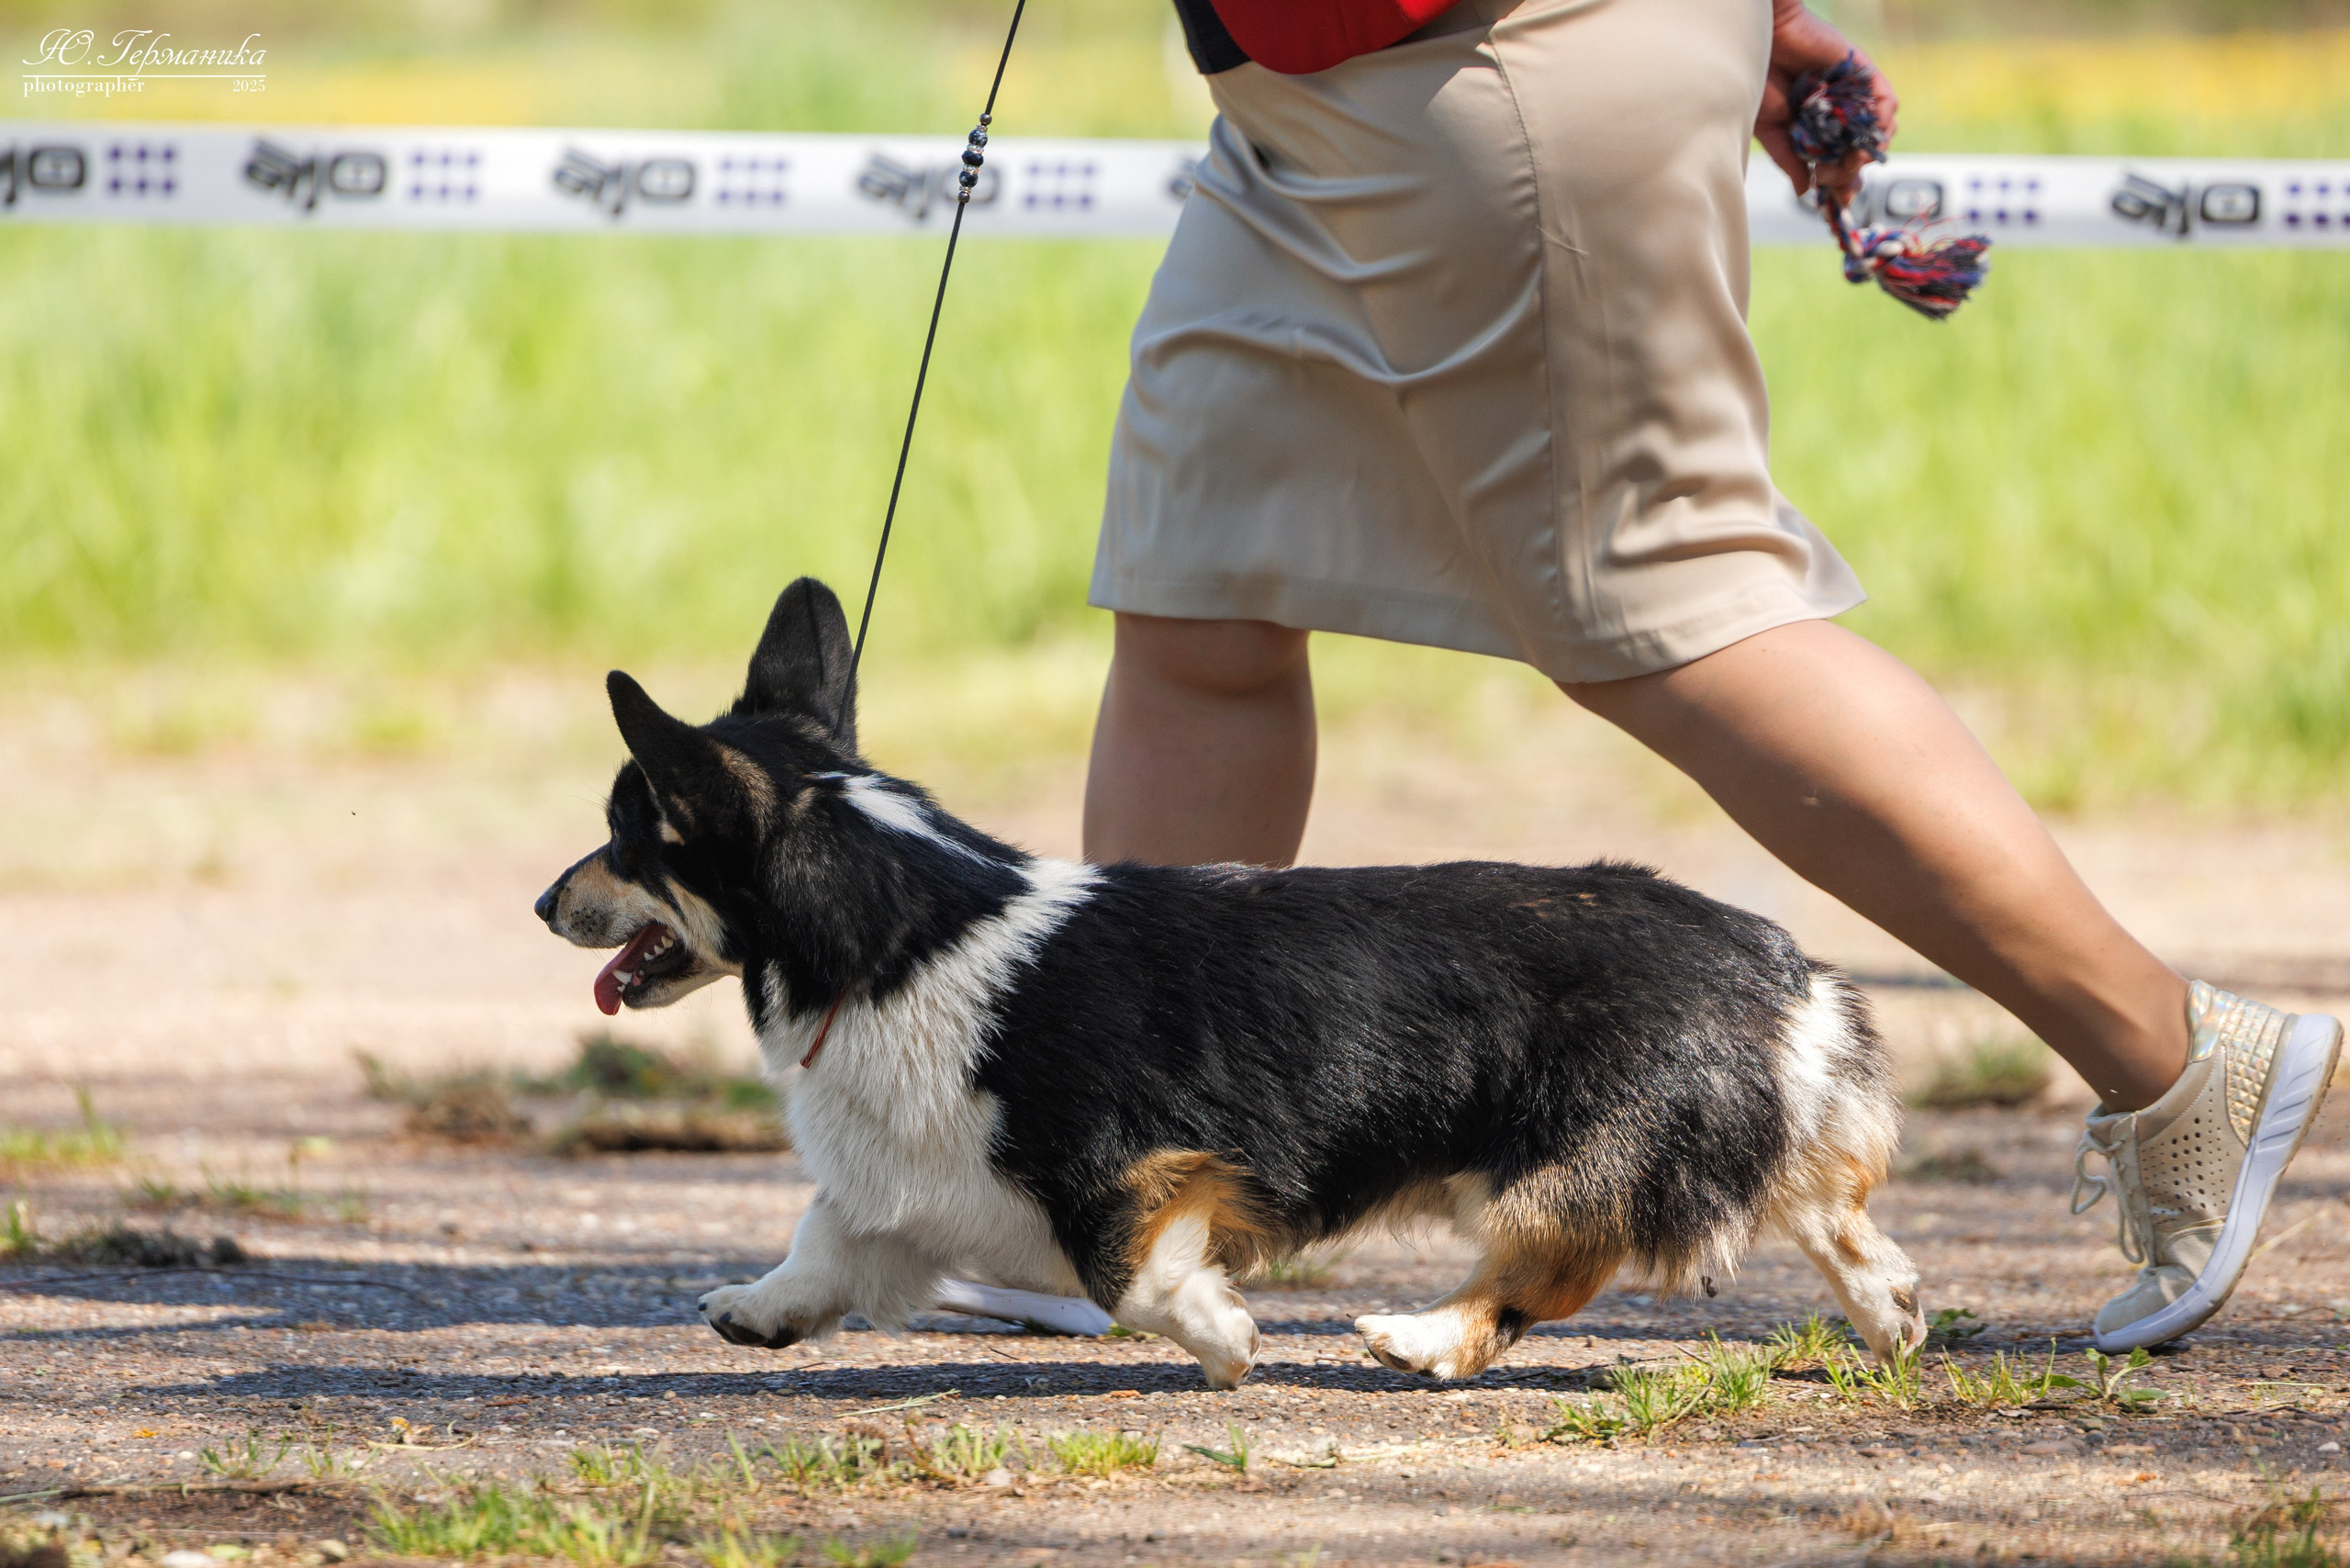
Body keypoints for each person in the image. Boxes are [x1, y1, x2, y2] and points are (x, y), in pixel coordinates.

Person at [1080, 0, 2341, 1352]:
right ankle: (1114, 1185)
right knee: (1203, 594)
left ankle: (2169, 1057)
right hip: (1313, 82)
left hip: (1482, 59)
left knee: (1667, 602)